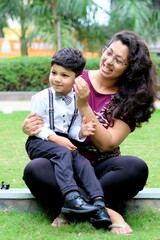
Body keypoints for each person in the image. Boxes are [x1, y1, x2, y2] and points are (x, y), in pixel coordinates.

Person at [22, 31, 159, 235]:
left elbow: (107, 144)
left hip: (101, 170)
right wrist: (30, 126)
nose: (109, 61)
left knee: (135, 168)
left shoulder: (130, 99)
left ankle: (72, 206)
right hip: (65, 166)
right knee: (35, 169)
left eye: (119, 60)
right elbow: (48, 115)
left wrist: (84, 105)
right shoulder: (76, 76)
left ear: (130, 69)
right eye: (109, 52)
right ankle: (106, 210)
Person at [25, 47, 111, 227]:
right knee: (63, 153)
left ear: (76, 79)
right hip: (40, 141)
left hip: (64, 141)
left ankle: (98, 203)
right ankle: (71, 197)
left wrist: (81, 132)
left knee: (83, 163)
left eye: (64, 75)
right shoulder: (41, 98)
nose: (56, 79)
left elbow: (72, 129)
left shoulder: (77, 100)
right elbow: (37, 128)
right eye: (54, 73)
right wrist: (56, 139)